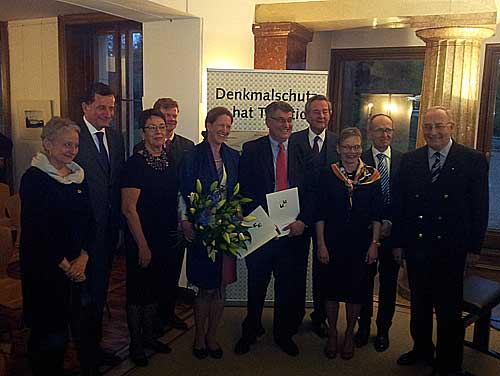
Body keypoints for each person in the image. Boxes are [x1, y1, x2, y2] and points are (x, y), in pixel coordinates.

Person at [394, 106, 489, 376]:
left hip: (453, 248)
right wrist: (399, 244)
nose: (433, 132)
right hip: (418, 245)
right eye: (428, 127)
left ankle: (448, 363)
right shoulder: (411, 160)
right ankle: (421, 349)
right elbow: (402, 207)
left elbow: (479, 207)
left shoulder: (472, 159)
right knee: (419, 304)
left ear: (452, 126)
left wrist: (474, 247)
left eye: (439, 126)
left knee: (448, 310)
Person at [20, 117, 98, 376]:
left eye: (75, 145)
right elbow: (39, 231)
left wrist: (84, 257)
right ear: (47, 144)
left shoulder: (78, 176)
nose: (72, 150)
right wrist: (67, 266)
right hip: (47, 272)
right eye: (66, 145)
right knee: (49, 337)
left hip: (78, 268)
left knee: (81, 328)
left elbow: (89, 221)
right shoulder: (33, 179)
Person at [234, 101, 309, 357]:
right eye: (280, 120)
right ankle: (250, 330)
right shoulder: (251, 149)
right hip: (263, 231)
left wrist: (303, 221)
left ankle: (282, 334)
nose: (286, 125)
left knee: (286, 288)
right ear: (268, 122)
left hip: (292, 232)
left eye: (289, 120)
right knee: (257, 284)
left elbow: (312, 191)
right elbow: (244, 191)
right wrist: (262, 221)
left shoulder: (302, 150)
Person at [316, 127, 382, 360]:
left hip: (361, 244)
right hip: (333, 243)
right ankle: (332, 332)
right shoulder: (328, 174)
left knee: (356, 293)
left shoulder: (373, 176)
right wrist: (321, 244)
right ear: (338, 149)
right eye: (346, 147)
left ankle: (349, 333)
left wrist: (375, 243)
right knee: (332, 292)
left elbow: (377, 215)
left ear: (361, 147)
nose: (351, 152)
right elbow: (320, 213)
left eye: (355, 147)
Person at [179, 107, 239, 360]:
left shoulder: (233, 156)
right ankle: (198, 337)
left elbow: (236, 192)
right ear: (208, 125)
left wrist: (236, 215)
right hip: (201, 231)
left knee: (221, 286)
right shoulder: (191, 156)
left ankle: (213, 337)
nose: (224, 131)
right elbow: (181, 191)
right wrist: (185, 220)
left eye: (228, 126)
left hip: (225, 231)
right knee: (205, 288)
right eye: (220, 125)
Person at [74, 82, 125, 365]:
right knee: (82, 297)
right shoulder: (72, 137)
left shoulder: (116, 138)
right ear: (85, 107)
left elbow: (114, 183)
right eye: (101, 107)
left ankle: (95, 348)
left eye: (111, 108)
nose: (107, 113)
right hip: (81, 233)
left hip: (107, 232)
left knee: (99, 293)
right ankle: (84, 356)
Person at [121, 109, 176, 366]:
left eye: (161, 127)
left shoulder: (169, 160)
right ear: (142, 133)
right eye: (152, 127)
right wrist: (142, 245)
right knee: (138, 293)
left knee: (157, 288)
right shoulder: (135, 164)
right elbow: (128, 209)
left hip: (165, 237)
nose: (158, 132)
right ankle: (135, 343)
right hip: (141, 237)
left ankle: (149, 336)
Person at [134, 97, 194, 332]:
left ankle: (168, 314)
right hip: (152, 221)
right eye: (166, 116)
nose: (171, 121)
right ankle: (152, 322)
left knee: (172, 269)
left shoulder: (188, 146)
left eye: (174, 116)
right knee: (154, 273)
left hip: (178, 221)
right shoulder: (140, 149)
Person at [289, 94, 338, 338]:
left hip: (327, 221)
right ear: (306, 115)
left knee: (323, 271)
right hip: (298, 218)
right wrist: (302, 217)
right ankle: (294, 317)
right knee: (296, 270)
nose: (321, 116)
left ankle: (319, 317)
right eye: (316, 112)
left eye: (325, 111)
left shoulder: (339, 143)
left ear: (330, 114)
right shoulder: (293, 140)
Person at [356, 113, 402, 352]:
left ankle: (383, 330)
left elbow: (407, 202)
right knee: (364, 283)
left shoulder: (406, 162)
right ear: (369, 132)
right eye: (379, 130)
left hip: (393, 236)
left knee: (388, 285)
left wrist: (391, 223)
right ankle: (363, 327)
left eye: (389, 130)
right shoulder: (359, 160)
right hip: (365, 236)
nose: (385, 135)